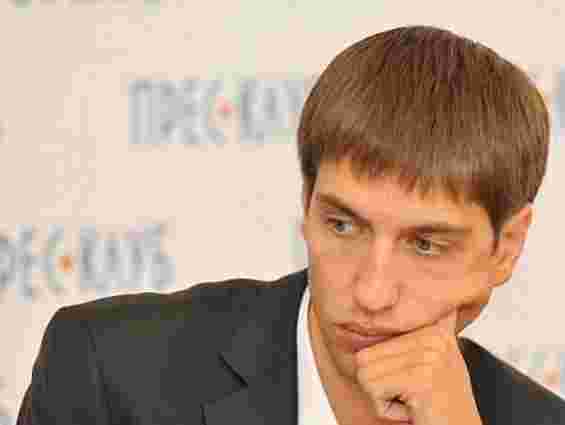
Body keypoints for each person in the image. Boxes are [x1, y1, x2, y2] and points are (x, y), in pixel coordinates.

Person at [17, 25, 565, 425]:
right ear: (306, 204)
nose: (372, 293)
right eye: (343, 226)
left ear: (506, 247)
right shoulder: (108, 371)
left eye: (424, 245)